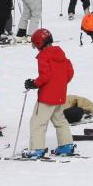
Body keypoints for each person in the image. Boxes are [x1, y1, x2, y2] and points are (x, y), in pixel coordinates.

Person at [21, 28, 75, 159]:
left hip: (46, 97)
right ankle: (66, 145)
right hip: (60, 95)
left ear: (39, 44)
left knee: (37, 122)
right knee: (59, 120)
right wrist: (59, 84)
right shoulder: (60, 54)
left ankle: (36, 149)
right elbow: (70, 72)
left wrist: (34, 83)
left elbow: (45, 76)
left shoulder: (44, 56)